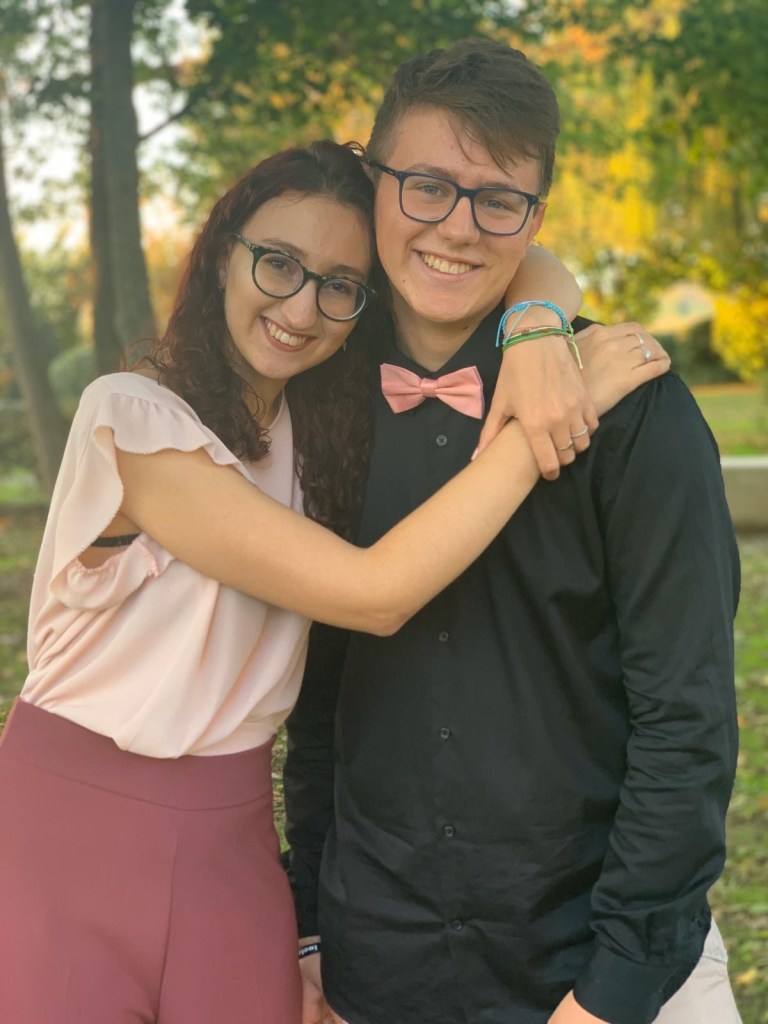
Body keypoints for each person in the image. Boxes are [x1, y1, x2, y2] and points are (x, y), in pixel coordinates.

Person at [0, 138, 664, 1024]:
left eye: (340, 286)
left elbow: (528, 259)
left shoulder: (322, 433)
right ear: (222, 253)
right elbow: (371, 595)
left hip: (231, 840)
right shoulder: (132, 417)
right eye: (278, 263)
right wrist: (544, 420)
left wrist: (539, 327)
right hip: (69, 831)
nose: (301, 308)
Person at [283, 42, 743, 1024]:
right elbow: (319, 706)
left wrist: (613, 991)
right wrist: (312, 927)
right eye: (426, 185)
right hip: (381, 969)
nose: (457, 226)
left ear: (536, 218)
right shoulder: (314, 410)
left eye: (498, 200)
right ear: (373, 181)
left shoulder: (633, 409)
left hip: (606, 969)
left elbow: (686, 723)